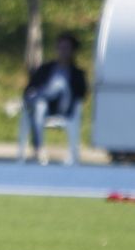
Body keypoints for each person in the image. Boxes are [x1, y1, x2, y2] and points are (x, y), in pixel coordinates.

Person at [18, 33, 89, 165]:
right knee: (39, 107)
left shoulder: (77, 73)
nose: (62, 51)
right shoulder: (46, 68)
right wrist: (34, 94)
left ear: (72, 51)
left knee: (60, 84)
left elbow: (82, 93)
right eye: (60, 48)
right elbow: (29, 88)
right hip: (45, 107)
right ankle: (39, 150)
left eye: (66, 48)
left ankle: (27, 102)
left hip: (64, 106)